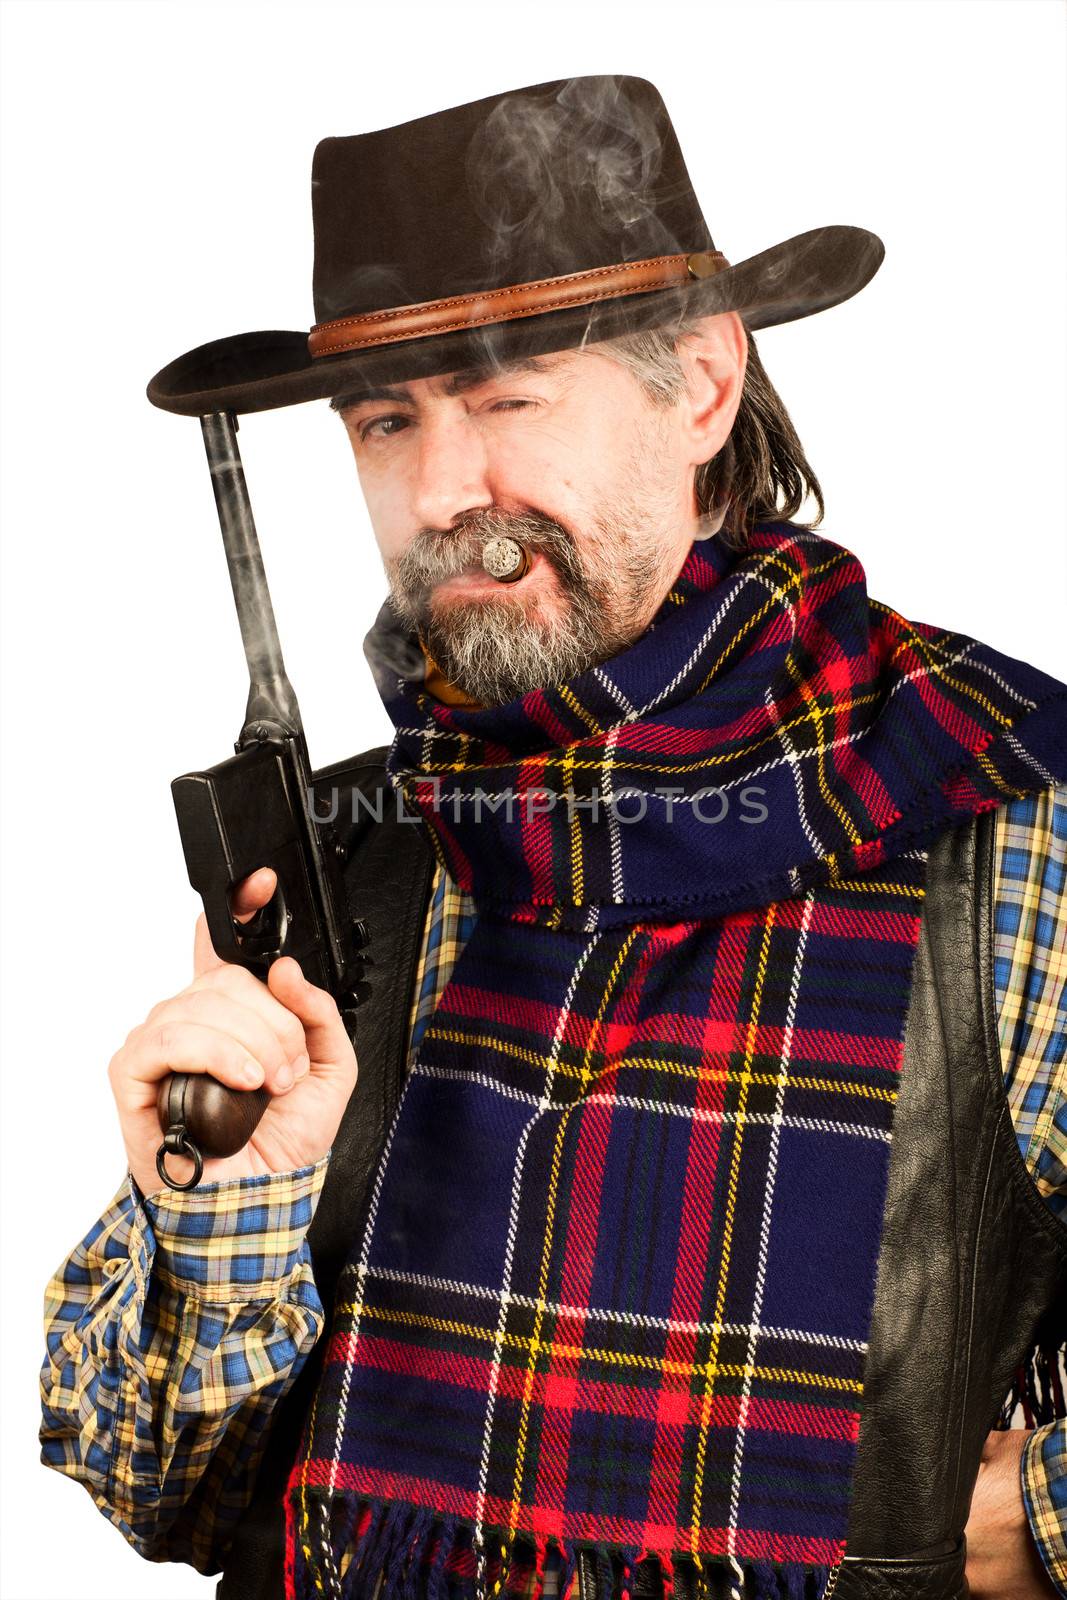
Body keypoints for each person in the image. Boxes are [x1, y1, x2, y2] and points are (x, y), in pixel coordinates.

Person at [39, 76, 1067, 1600]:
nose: (446, 491)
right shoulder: (354, 856)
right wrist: (228, 1206)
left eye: (512, 395)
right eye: (389, 419)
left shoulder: (1003, 823)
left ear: (702, 388)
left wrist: (1033, 1525)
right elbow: (153, 1489)